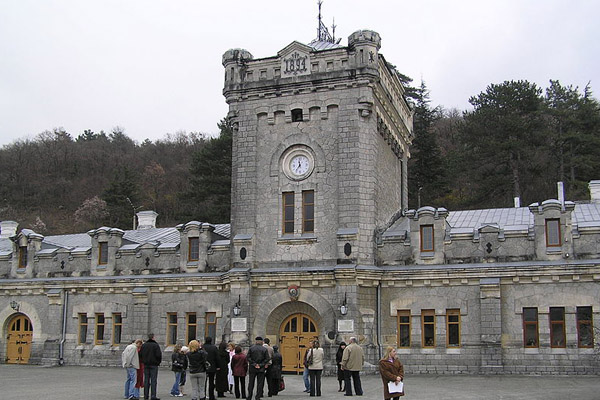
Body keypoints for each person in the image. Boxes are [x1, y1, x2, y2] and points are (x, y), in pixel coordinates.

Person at [140, 333, 162, 400]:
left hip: (146, 364)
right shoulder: (156, 345)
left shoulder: (144, 345)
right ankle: (153, 395)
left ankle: (146, 395)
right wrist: (158, 362)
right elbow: (159, 355)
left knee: (146, 380)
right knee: (153, 380)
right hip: (154, 364)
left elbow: (140, 354)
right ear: (153, 337)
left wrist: (143, 361)